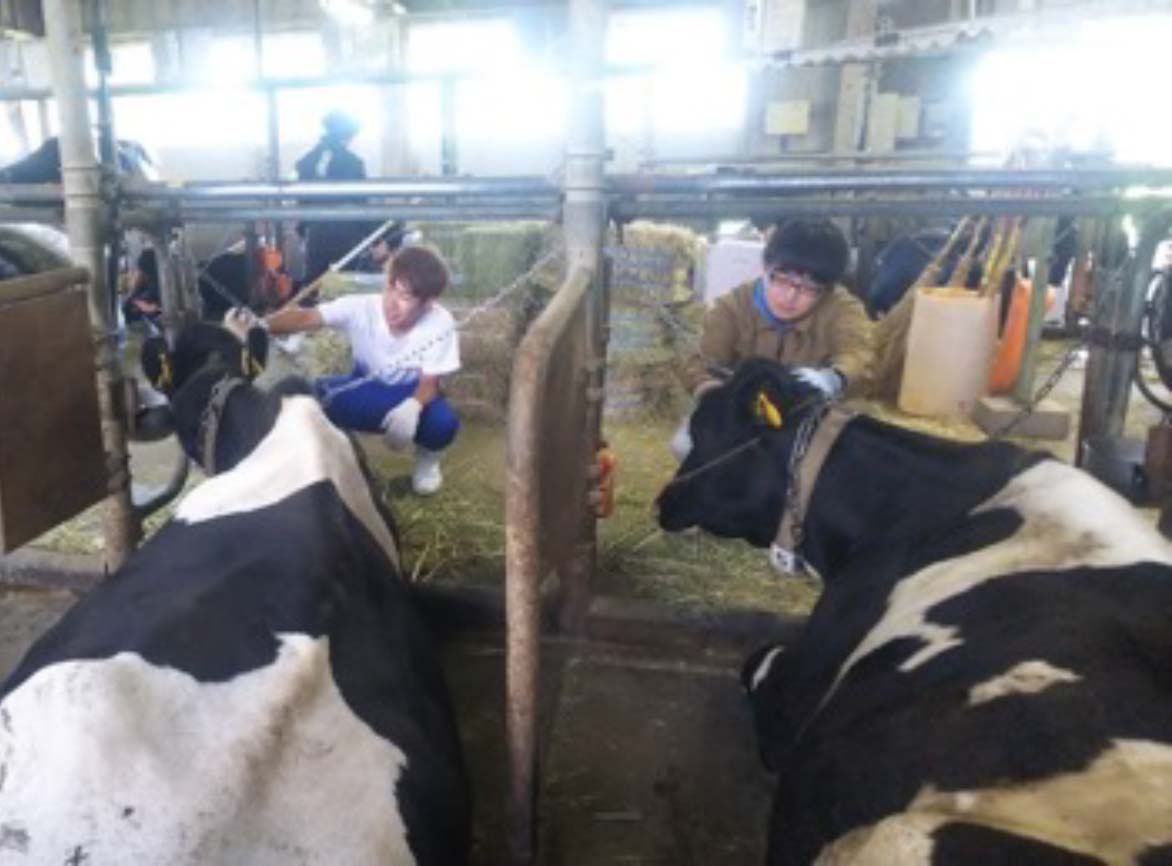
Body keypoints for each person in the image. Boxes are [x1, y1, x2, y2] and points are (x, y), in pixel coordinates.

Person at [262, 245, 460, 496]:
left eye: (405, 297)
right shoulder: (361, 307)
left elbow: (430, 383)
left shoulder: (439, 321)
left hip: (407, 393)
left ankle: (427, 463)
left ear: (428, 303)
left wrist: (413, 407)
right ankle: (329, 455)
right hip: (366, 388)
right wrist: (259, 325)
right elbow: (307, 318)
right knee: (313, 397)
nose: (391, 303)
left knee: (443, 422)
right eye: (390, 288)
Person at [676, 218, 874, 458]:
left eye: (808, 288)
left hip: (809, 415)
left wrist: (834, 378)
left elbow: (859, 356)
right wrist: (716, 396)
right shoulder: (733, 306)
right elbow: (699, 361)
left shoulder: (843, 309)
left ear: (828, 288)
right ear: (766, 267)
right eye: (781, 279)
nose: (790, 297)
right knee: (684, 446)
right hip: (743, 410)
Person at [295, 111, 370, 286]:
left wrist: (302, 229)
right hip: (346, 232)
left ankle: (313, 311)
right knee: (347, 284)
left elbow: (301, 201)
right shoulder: (354, 163)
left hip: (316, 232)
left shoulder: (306, 161)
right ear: (348, 136)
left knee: (314, 285)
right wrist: (370, 236)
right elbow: (362, 203)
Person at [122, 248, 162, 326]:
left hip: (154, 316)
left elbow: (154, 308)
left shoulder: (156, 284)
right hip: (145, 317)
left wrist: (149, 307)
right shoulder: (145, 283)